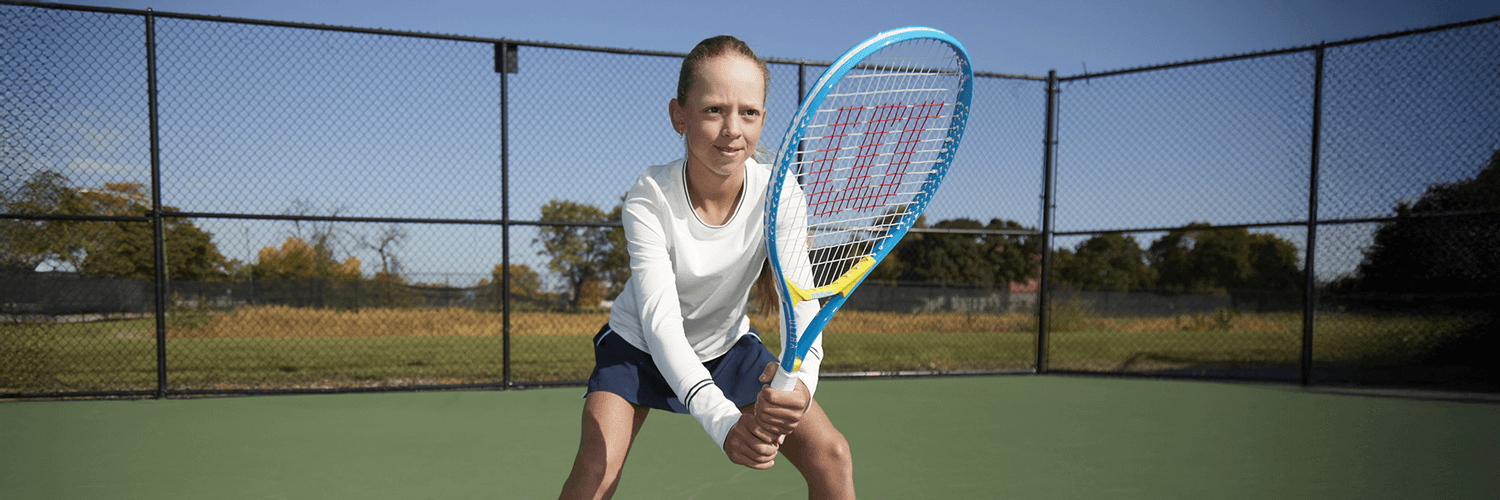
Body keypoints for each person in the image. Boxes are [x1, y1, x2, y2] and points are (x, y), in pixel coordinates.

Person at [558, 35, 855, 500]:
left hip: (726, 347)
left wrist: (798, 386)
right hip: (639, 347)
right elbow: (661, 326)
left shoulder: (781, 194)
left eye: (749, 112)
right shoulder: (649, 197)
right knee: (596, 470)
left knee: (832, 456)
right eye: (714, 110)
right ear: (680, 115)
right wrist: (724, 423)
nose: (733, 128)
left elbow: (802, 307)